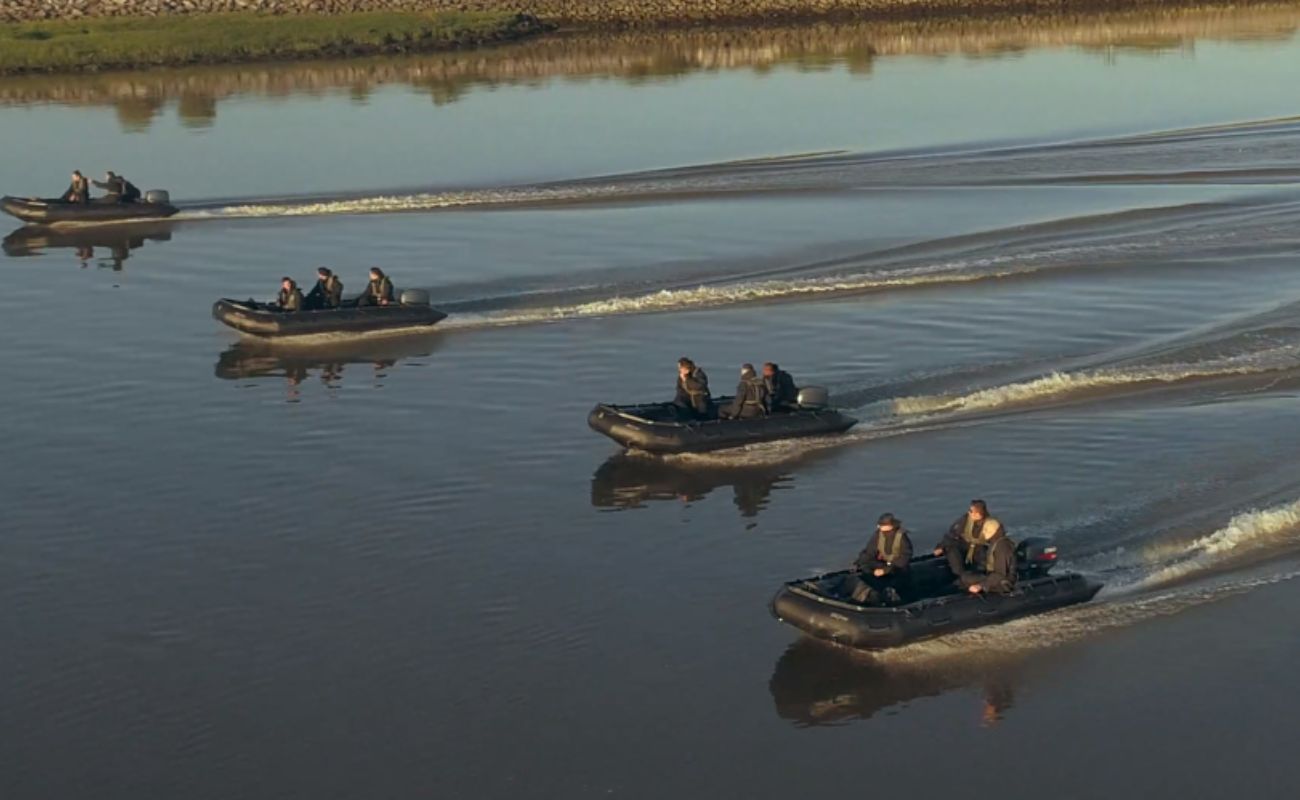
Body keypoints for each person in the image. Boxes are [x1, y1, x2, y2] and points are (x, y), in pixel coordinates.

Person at [844, 512, 914, 605]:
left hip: (897, 569)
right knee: (866, 571)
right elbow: (869, 551)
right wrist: (859, 563)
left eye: (882, 525)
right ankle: (858, 597)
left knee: (894, 580)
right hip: (883, 564)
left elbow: (904, 558)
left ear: (890, 525)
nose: (879, 527)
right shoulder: (878, 535)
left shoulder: (901, 538)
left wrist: (886, 570)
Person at [933, 499, 1003, 579]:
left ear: (978, 514)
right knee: (951, 547)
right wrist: (941, 546)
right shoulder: (966, 519)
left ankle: (981, 577)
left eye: (971, 511)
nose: (969, 513)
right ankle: (959, 574)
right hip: (966, 545)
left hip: (981, 549)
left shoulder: (991, 525)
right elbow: (952, 533)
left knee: (984, 560)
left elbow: (998, 543)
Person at [960, 517, 1017, 595]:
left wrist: (981, 585)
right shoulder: (994, 542)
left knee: (967, 581)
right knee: (965, 577)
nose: (983, 532)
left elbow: (1000, 574)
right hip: (992, 576)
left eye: (986, 530)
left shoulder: (1002, 546)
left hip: (1002, 582)